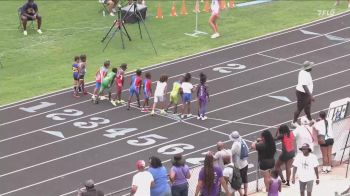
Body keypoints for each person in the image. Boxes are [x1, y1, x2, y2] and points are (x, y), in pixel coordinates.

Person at [292, 61, 315, 127]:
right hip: (302, 94)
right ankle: (294, 122)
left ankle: (309, 119)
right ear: (308, 68)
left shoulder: (304, 72)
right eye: (311, 66)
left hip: (306, 94)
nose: (312, 67)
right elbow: (304, 86)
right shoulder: (304, 74)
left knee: (307, 107)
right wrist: (310, 96)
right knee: (299, 108)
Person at [229, 131, 249, 196]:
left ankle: (241, 194)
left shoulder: (235, 144)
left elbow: (230, 153)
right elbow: (247, 150)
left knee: (237, 181)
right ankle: (245, 193)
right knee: (245, 179)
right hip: (245, 163)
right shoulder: (242, 140)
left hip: (239, 166)